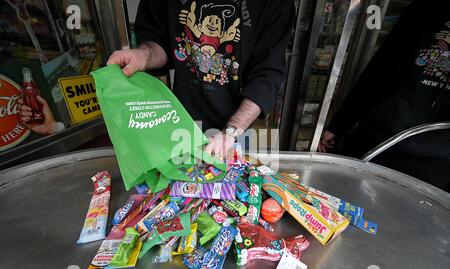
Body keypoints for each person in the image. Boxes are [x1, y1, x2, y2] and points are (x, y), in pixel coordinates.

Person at [108, 0, 294, 159]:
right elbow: (161, 42)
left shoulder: (273, 4)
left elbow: (267, 74)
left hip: (241, 127)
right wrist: (144, 55)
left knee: (235, 191)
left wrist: (231, 131)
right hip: (180, 120)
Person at [318, 0, 450, 192]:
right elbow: (379, 71)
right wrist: (338, 125)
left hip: (435, 163)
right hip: (376, 141)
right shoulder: (425, 9)